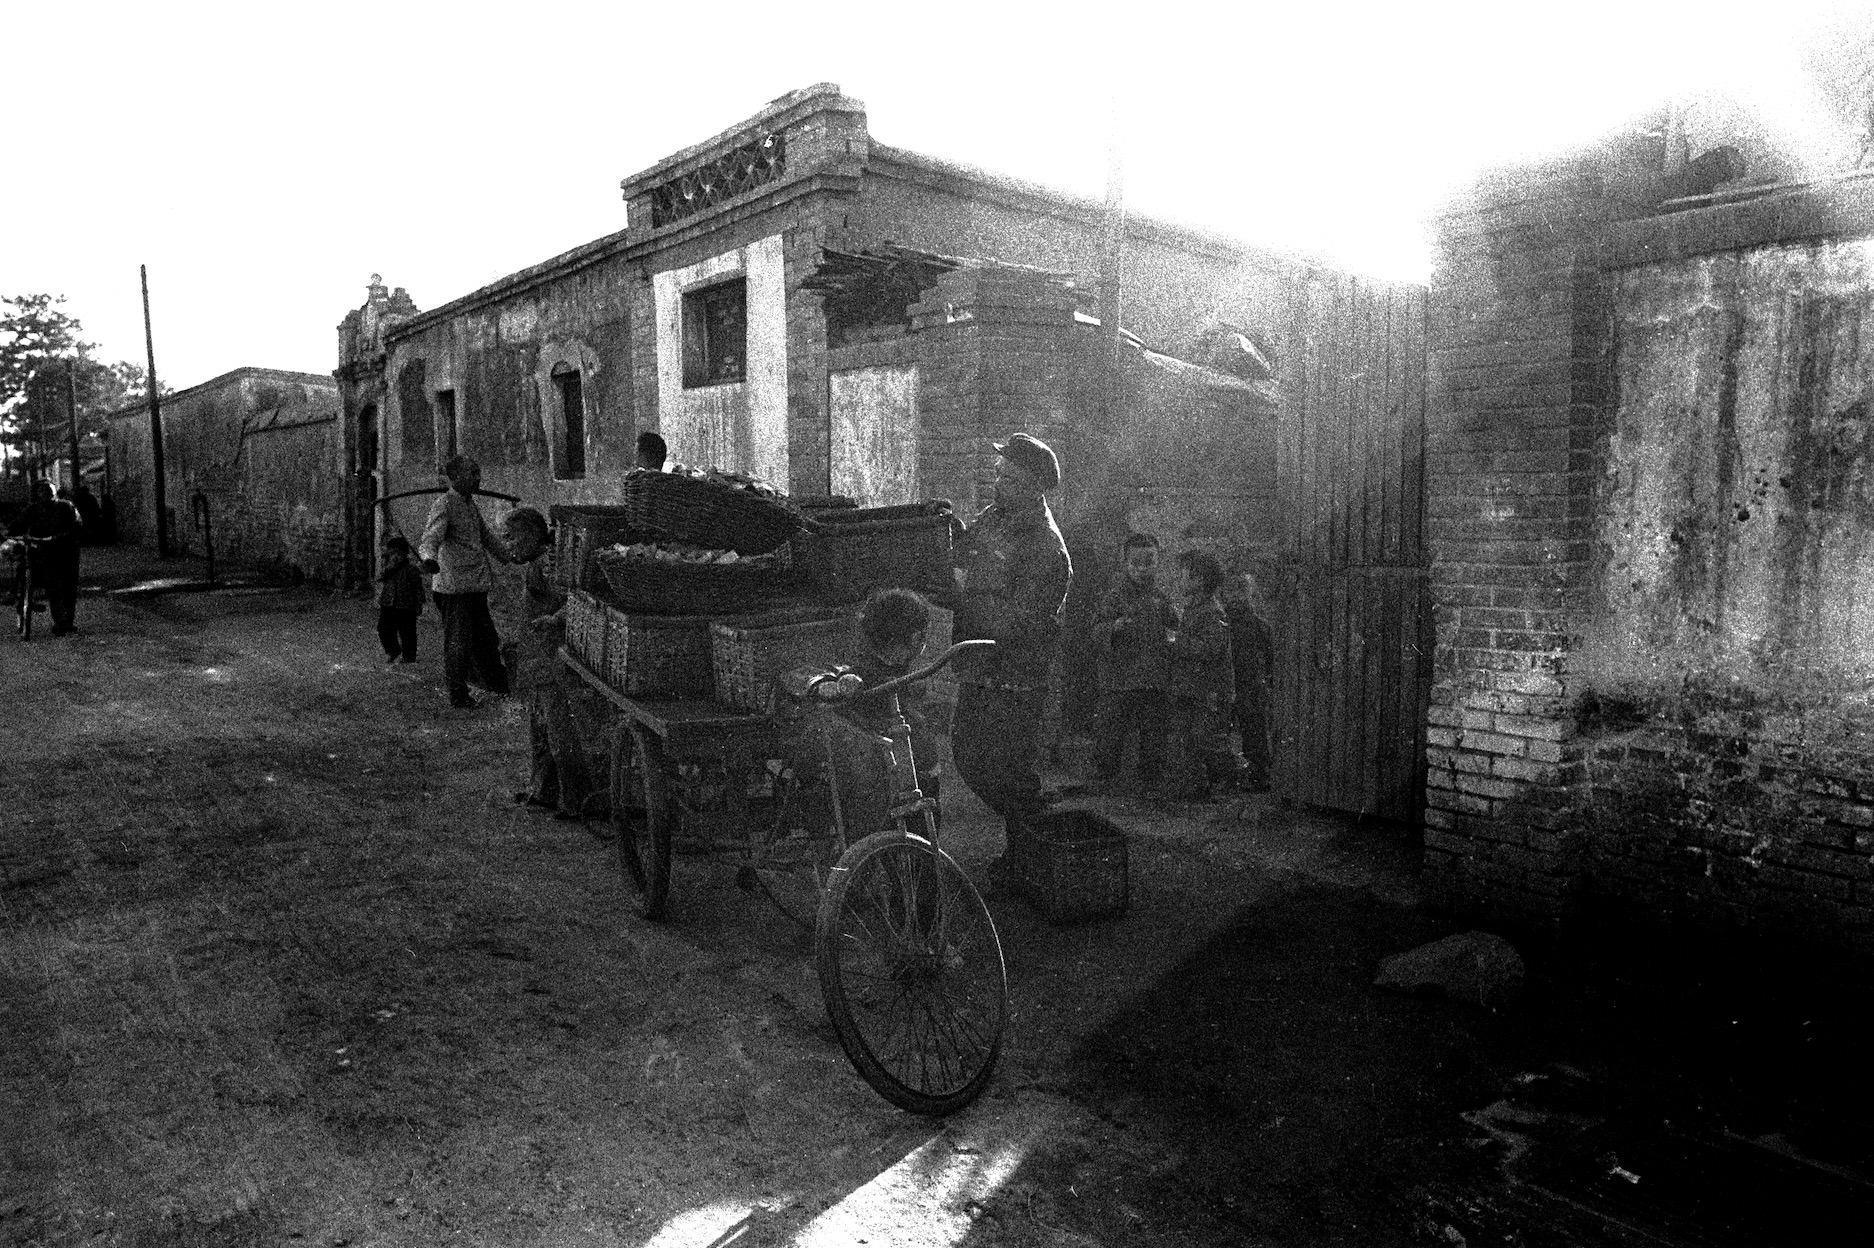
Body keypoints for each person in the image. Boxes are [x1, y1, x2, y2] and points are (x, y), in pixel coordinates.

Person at [950, 433, 1072, 880]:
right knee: (968, 757)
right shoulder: (995, 518)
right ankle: (1033, 843)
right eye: (998, 474)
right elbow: (963, 556)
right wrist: (945, 530)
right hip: (980, 667)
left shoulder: (1045, 546)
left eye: (1007, 476)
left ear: (1033, 485)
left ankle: (1032, 858)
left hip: (1017, 678)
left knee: (1010, 774)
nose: (996, 482)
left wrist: (967, 600)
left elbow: (1017, 624)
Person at [799, 588, 938, 840]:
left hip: (892, 777)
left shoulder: (889, 669)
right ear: (918, 637)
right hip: (894, 778)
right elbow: (849, 679)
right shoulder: (863, 674)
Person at [503, 507, 605, 819]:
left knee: (560, 732)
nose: (508, 544)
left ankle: (574, 800)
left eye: (512, 537)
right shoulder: (539, 563)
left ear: (533, 536)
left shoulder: (545, 564)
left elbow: (572, 600)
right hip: (539, 660)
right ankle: (545, 791)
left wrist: (554, 619)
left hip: (552, 661)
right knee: (543, 729)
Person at [417, 454, 518, 709]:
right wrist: (428, 559)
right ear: (456, 477)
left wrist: (512, 557)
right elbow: (431, 537)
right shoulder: (445, 504)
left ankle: (496, 684)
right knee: (458, 641)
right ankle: (458, 693)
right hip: (454, 588)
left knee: (485, 637)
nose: (478, 478)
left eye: (478, 473)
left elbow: (486, 536)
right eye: (472, 473)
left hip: (474, 584)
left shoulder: (470, 505)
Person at [1090, 532, 1176, 795]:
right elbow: (1096, 630)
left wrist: (1171, 635)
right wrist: (1114, 627)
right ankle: (1105, 780)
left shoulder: (1162, 599)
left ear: (1158, 563)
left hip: (1152, 679)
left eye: (1148, 562)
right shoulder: (1114, 597)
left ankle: (1151, 783)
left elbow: (1174, 629)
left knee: (1153, 734)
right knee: (1110, 732)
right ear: (1125, 563)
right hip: (1119, 679)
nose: (1141, 569)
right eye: (1135, 563)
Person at [1167, 550, 1238, 800]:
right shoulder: (1194, 608)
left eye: (1185, 576)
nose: (1180, 580)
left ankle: (1228, 783)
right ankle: (1197, 789)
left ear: (1198, 580)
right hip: (1193, 688)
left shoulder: (1212, 612)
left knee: (1206, 739)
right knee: (1190, 740)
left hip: (1209, 691)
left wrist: (1177, 641)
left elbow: (1210, 648)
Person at [7, 480, 83, 636]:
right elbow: (18, 524)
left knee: (68, 587)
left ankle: (66, 621)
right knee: (50, 583)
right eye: (42, 490)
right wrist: (10, 532)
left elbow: (77, 526)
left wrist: (61, 537)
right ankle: (59, 620)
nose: (47, 493)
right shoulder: (33, 510)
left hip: (65, 551)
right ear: (37, 494)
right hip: (42, 552)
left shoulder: (66, 507)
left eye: (49, 489)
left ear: (55, 491)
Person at [1221, 571, 1274, 791]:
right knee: (1221, 732)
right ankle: (1226, 775)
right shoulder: (1221, 621)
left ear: (1249, 593)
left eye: (1241, 591)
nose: (1236, 597)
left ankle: (1259, 776)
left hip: (1249, 686)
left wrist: (1267, 679)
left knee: (1254, 733)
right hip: (1225, 684)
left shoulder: (1258, 625)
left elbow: (1270, 656)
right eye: (1231, 592)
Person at [375, 535, 424, 664]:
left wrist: (419, 604)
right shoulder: (388, 566)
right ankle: (393, 650)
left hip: (406, 604)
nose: (394, 556)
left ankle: (409, 655)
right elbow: (379, 578)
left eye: (396, 552)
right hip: (388, 602)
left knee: (407, 631)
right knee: (384, 628)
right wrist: (389, 568)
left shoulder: (410, 569)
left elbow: (418, 587)